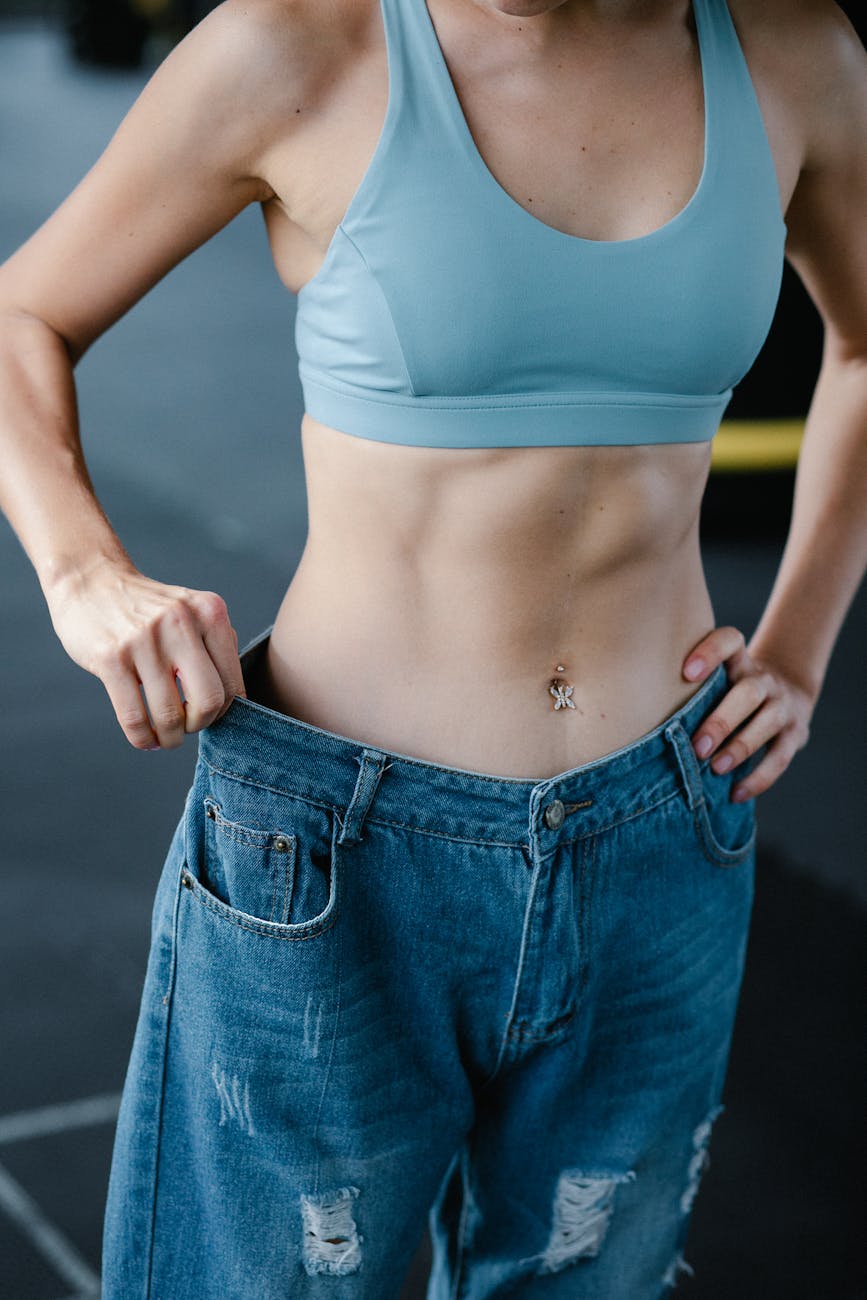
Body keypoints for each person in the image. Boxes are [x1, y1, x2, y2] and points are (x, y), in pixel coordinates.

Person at [0, 0, 864, 1294]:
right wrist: (83, 574)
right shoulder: (296, 48)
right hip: (341, 859)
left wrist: (798, 640)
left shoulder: (792, 53)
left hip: (660, 838)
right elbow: (20, 319)